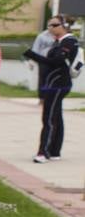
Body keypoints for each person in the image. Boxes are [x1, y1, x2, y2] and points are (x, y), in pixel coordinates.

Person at [26, 17, 77, 163]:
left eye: (54, 25)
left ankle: (43, 152)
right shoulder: (59, 43)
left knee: (48, 117)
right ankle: (54, 151)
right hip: (53, 83)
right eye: (49, 25)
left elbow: (56, 62)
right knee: (55, 116)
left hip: (59, 84)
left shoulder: (69, 41)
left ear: (64, 26)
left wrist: (32, 55)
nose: (51, 28)